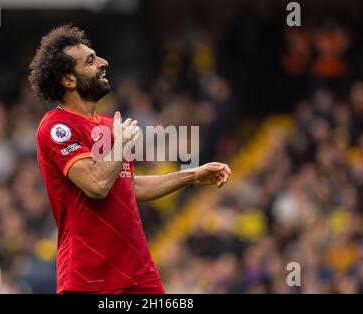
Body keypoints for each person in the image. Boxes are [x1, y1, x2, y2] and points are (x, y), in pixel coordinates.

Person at [29, 24, 231, 294]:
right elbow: (97, 185)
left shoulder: (107, 125)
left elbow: (128, 187)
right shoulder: (56, 127)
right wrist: (121, 143)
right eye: (90, 61)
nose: (103, 63)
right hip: (89, 279)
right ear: (68, 79)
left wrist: (192, 175)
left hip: (138, 273)